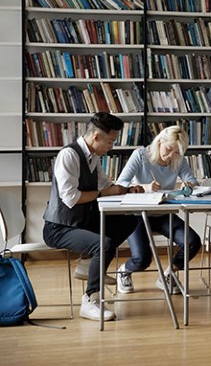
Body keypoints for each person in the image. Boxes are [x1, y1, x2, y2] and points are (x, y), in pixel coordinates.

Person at [42, 112, 142, 321]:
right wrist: (103, 193)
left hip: (81, 221)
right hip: (59, 227)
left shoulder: (93, 157)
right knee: (102, 244)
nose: (111, 147)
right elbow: (70, 198)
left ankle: (89, 265)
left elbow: (106, 185)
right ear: (96, 136)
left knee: (129, 219)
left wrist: (128, 189)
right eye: (110, 141)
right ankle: (90, 300)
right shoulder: (68, 155)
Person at [114, 125, 202, 295]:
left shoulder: (179, 160)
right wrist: (143, 187)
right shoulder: (140, 155)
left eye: (177, 152)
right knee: (142, 259)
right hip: (137, 215)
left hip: (163, 213)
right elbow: (120, 183)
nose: (170, 156)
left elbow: (193, 182)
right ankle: (124, 270)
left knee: (192, 242)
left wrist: (188, 184)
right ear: (160, 141)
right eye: (169, 149)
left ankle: (168, 274)